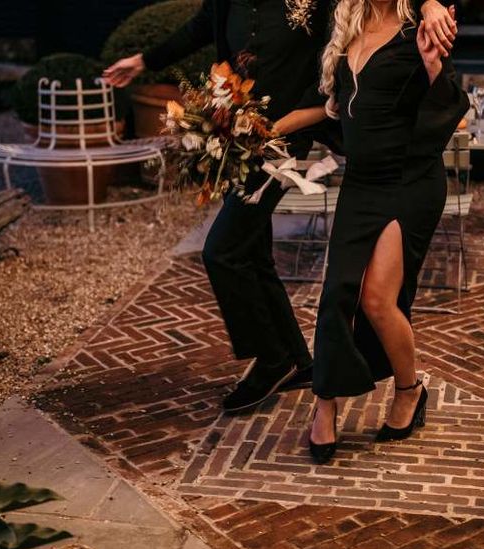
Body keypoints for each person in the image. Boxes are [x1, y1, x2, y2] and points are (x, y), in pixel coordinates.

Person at [103, 0, 457, 413]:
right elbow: (200, 27)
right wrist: (144, 60)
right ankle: (292, 356)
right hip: (240, 134)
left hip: (284, 140)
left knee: (224, 249)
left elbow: (378, 9)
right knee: (249, 248)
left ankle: (275, 358)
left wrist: (430, 2)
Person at [306, 0, 469, 463]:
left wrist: (433, 63)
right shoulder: (346, 25)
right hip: (361, 181)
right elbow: (337, 113)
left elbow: (452, 100)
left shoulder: (419, 28)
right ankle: (325, 405)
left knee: (377, 299)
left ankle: (409, 390)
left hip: (409, 178)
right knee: (338, 290)